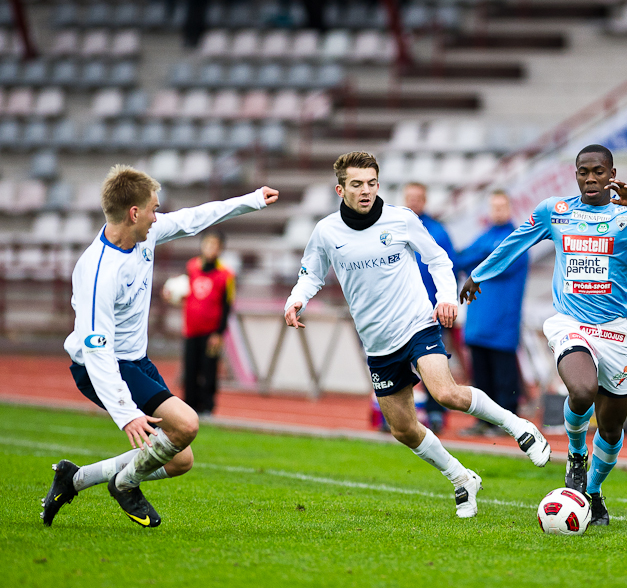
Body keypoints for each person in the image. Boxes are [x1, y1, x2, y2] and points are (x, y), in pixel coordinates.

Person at [283, 151, 550, 519]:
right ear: (339, 188)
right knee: (404, 429)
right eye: (357, 184)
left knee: (446, 392)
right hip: (377, 342)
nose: (365, 191)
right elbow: (311, 274)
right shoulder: (327, 231)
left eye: (372, 183)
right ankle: (461, 478)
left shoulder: (402, 219)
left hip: (417, 324)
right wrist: (296, 299)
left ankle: (520, 428)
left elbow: (439, 259)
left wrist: (445, 299)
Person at [461, 144, 627, 527]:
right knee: (582, 391)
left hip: (615, 331)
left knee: (612, 428)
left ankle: (594, 492)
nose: (591, 178)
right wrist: (479, 274)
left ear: (611, 173)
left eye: (599, 171)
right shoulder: (556, 211)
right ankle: (576, 455)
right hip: (570, 323)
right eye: (584, 171)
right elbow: (516, 241)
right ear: (576, 174)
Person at [42, 165, 278, 528]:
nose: (158, 216)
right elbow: (97, 350)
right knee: (186, 425)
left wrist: (250, 201)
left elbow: (192, 219)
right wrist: (126, 413)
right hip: (102, 367)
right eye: (153, 208)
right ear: (133, 213)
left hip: (135, 361)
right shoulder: (98, 272)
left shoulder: (143, 235)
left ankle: (73, 479)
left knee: (179, 459)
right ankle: (125, 485)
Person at [456, 190, 529, 437]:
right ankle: (484, 421)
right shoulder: (485, 237)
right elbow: (461, 259)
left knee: (504, 376)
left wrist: (482, 257)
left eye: (501, 206)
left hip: (502, 321)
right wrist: (486, 255)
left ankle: (508, 422)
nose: (497, 211)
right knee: (481, 375)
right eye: (494, 207)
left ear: (510, 208)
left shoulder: (518, 238)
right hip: (478, 320)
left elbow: (500, 265)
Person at [402, 181, 456, 433]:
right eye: (409, 197)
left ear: (424, 200)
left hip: (431, 311)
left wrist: (445, 301)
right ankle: (401, 413)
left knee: (433, 363)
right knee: (399, 364)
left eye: (418, 198)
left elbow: (449, 267)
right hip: (401, 309)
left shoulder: (438, 232)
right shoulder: (395, 228)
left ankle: (436, 413)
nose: (413, 201)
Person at [172, 229, 235, 416]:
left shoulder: (226, 275)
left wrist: (219, 333)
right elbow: (183, 292)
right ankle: (189, 405)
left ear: (221, 249)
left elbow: (227, 305)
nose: (210, 248)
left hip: (211, 332)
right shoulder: (191, 267)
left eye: (214, 245)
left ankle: (207, 407)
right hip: (191, 329)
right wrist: (172, 294)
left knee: (209, 370)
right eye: (207, 244)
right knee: (190, 368)